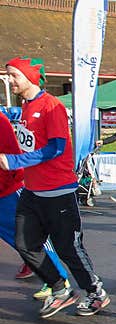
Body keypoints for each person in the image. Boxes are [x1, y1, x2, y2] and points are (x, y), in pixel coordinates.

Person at [0, 56, 111, 318]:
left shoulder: (52, 106)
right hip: (31, 190)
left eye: (14, 75)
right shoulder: (27, 106)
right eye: (8, 75)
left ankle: (95, 292)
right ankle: (61, 290)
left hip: (57, 191)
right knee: (24, 243)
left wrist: (15, 160)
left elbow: (57, 147)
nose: (9, 80)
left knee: (67, 247)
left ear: (29, 77)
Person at [0, 106, 69, 299]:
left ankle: (58, 278)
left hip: (9, 190)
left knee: (30, 237)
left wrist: (6, 184)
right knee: (16, 238)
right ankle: (35, 266)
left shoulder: (2, 121)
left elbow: (13, 157)